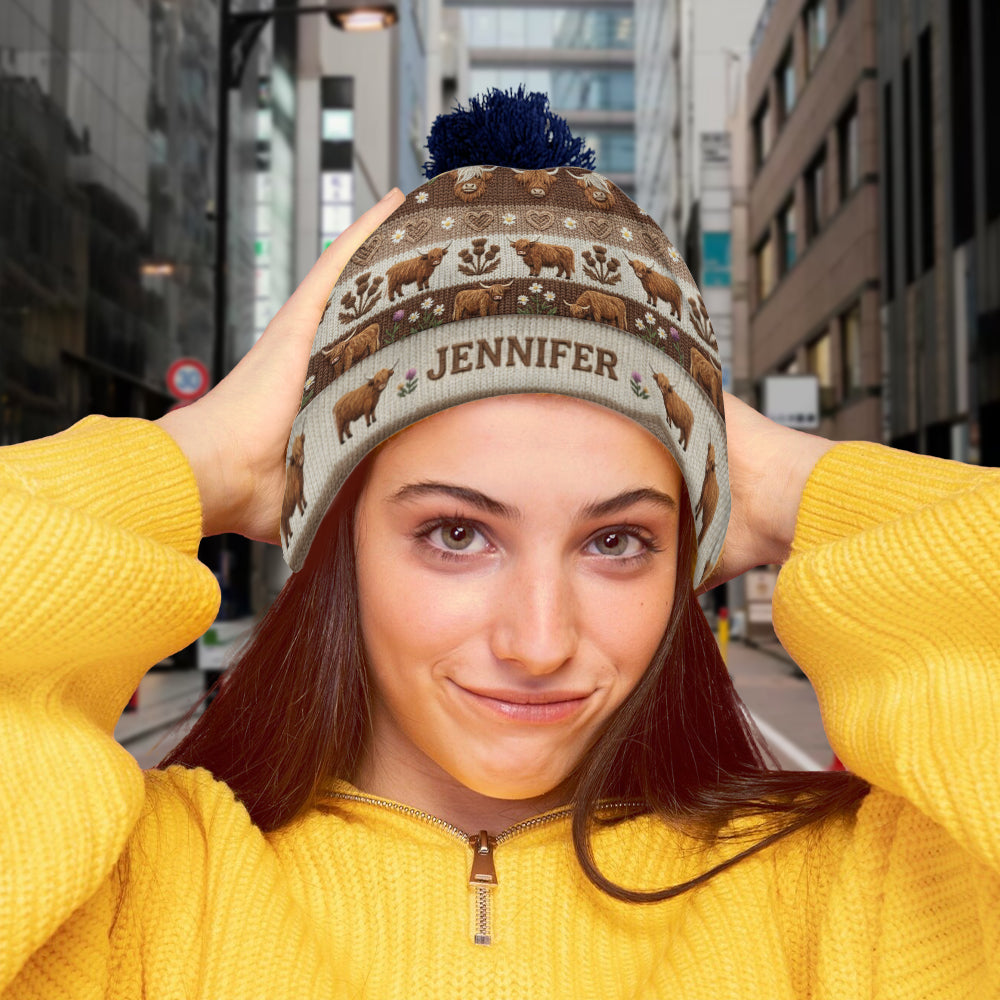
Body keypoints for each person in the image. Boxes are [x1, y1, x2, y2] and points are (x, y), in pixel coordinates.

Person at [3, 94, 999, 998]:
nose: (538, 640)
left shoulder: (853, 899)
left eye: (617, 538)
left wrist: (789, 481)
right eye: (455, 532)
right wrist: (196, 460)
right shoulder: (128, 898)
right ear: (339, 535)